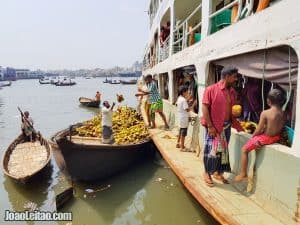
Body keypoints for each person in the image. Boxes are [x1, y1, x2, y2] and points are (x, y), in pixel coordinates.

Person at [235, 89, 286, 182]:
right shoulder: (283, 113)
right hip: (276, 137)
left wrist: (252, 136)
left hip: (266, 139)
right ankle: (243, 174)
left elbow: (258, 129)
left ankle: (243, 173)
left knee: (244, 150)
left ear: (268, 101)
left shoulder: (265, 113)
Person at [201, 66, 239, 187]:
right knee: (211, 151)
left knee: (222, 151)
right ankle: (207, 173)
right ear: (227, 77)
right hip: (214, 127)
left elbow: (231, 107)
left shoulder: (232, 91)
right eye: (234, 77)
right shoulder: (211, 89)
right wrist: (210, 126)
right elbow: (205, 107)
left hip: (226, 127)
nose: (236, 79)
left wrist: (235, 113)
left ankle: (217, 172)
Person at [176, 86, 197, 151]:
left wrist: (188, 100)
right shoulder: (183, 100)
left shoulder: (179, 98)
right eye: (187, 92)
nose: (188, 93)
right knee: (183, 132)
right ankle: (182, 147)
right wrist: (193, 104)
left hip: (180, 117)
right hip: (184, 118)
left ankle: (178, 143)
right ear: (183, 92)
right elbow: (187, 109)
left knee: (180, 130)